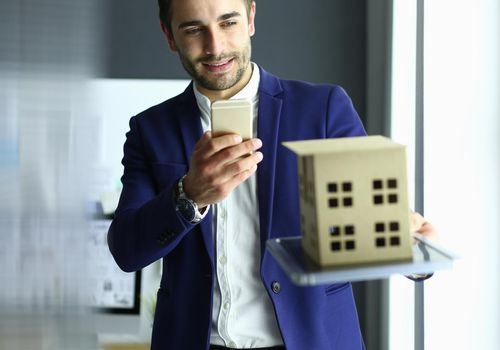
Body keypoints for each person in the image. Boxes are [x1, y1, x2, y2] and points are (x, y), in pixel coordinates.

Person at [107, 0, 435, 349]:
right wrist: (190, 195)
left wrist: (410, 249)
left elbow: (373, 224)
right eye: (193, 29)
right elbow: (127, 251)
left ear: (250, 18)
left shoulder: (323, 109)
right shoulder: (150, 130)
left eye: (228, 23)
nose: (215, 46)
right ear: (169, 35)